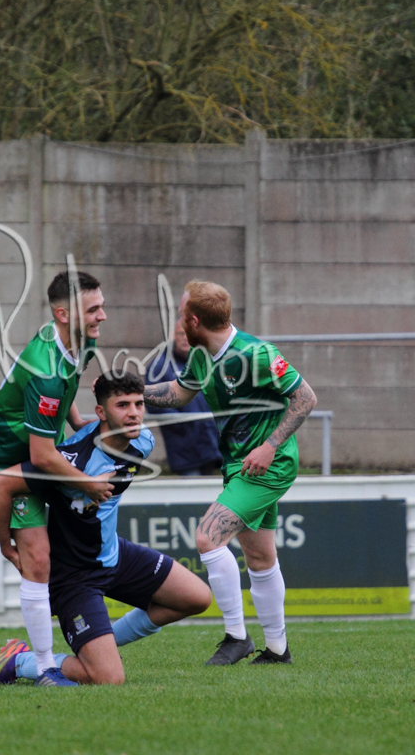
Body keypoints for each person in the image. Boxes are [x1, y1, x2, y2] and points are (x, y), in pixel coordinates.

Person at [0, 372, 212, 686]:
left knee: (197, 598)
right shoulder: (68, 461)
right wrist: (6, 545)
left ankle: (101, 645)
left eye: (138, 404)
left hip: (114, 555)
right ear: (101, 412)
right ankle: (20, 660)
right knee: (108, 679)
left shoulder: (143, 440)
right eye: (122, 405)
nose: (134, 413)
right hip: (75, 575)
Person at [141, 280, 317, 665]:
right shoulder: (202, 356)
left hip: (269, 465)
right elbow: (179, 393)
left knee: (208, 537)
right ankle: (278, 650)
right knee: (260, 557)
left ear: (194, 321)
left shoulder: (257, 354)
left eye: (181, 315)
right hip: (238, 465)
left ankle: (237, 637)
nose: (178, 322)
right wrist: (133, 389)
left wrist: (270, 446)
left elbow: (305, 397)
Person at [0, 270, 114, 687]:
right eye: (93, 309)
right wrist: (86, 482)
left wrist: (77, 422)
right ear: (63, 314)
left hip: (41, 452)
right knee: (37, 560)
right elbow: (41, 455)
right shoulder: (46, 370)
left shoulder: (79, 342)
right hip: (9, 461)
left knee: (71, 541)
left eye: (102, 306)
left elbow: (65, 393)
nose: (102, 316)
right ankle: (44, 667)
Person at [146, 316, 222, 476]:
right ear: (173, 336)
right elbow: (153, 403)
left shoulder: (205, 362)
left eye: (190, 334)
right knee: (191, 488)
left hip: (209, 442)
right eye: (181, 334)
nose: (186, 338)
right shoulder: (159, 366)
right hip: (184, 446)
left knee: (209, 488)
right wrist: (181, 422)